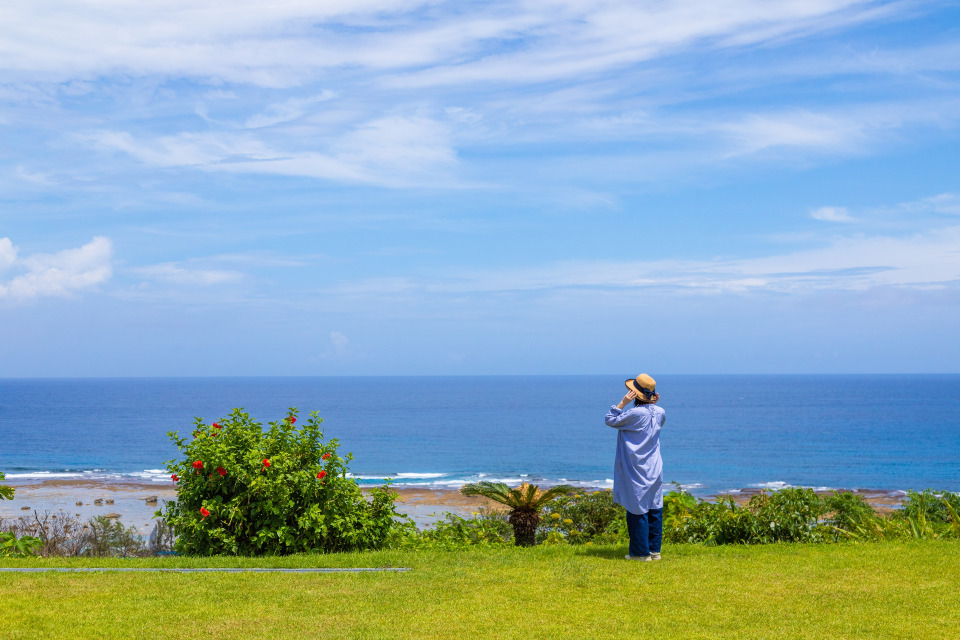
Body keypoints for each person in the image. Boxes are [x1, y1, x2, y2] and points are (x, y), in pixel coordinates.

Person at [605, 373, 665, 561]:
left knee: (637, 507)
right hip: (654, 466)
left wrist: (622, 403)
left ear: (634, 394)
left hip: (636, 467)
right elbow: (654, 419)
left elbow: (610, 420)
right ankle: (654, 550)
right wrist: (652, 404)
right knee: (655, 506)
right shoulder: (661, 412)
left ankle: (640, 553)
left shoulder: (633, 414)